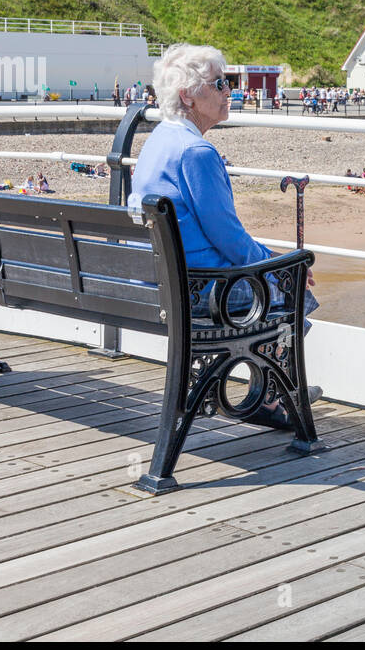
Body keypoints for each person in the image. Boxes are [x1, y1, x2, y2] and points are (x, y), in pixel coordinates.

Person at [132, 44, 321, 412]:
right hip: (198, 291)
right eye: (219, 84)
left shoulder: (157, 142)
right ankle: (273, 394)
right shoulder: (195, 152)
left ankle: (267, 392)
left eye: (227, 83)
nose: (228, 91)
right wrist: (280, 266)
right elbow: (229, 237)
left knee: (280, 279)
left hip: (159, 281)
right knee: (293, 290)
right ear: (188, 96)